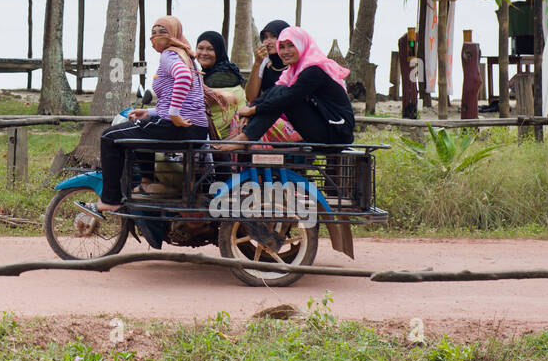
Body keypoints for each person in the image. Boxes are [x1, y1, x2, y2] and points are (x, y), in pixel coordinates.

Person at [95, 15, 209, 213]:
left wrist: (173, 114)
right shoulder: (186, 55)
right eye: (153, 32)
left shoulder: (169, 56)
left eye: (162, 31)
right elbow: (184, 97)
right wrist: (149, 112)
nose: (156, 37)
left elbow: (182, 78)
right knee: (136, 132)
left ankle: (111, 199)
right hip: (195, 128)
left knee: (109, 136)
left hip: (178, 127)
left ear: (174, 34)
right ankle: (146, 183)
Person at [231, 26, 355, 146]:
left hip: (336, 132)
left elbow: (288, 98)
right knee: (279, 91)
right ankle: (245, 137)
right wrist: (250, 111)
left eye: (291, 46)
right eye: (282, 47)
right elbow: (272, 93)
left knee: (284, 97)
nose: (285, 52)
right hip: (324, 126)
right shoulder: (292, 71)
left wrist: (253, 110)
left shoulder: (314, 70)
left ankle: (246, 138)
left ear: (302, 45)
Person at [195, 30, 246, 135]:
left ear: (219, 51)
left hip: (219, 137)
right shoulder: (212, 72)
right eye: (200, 48)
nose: (204, 53)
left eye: (210, 49)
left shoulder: (221, 77)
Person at [245, 19, 291, 103]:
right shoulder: (264, 63)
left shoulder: (294, 64)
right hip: (265, 110)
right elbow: (251, 97)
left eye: (273, 36)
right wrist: (257, 63)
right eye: (265, 37)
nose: (268, 42)